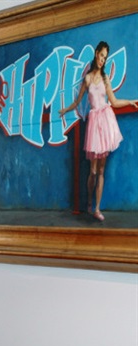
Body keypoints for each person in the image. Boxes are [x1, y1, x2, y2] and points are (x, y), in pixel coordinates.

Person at [59, 40, 138, 221]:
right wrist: (65, 110)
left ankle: (97, 208)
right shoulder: (87, 79)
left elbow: (114, 101)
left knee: (101, 171)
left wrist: (131, 101)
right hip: (94, 123)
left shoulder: (105, 78)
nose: (103, 59)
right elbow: (78, 102)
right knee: (92, 171)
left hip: (106, 121)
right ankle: (88, 201)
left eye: (105, 57)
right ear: (96, 54)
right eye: (101, 55)